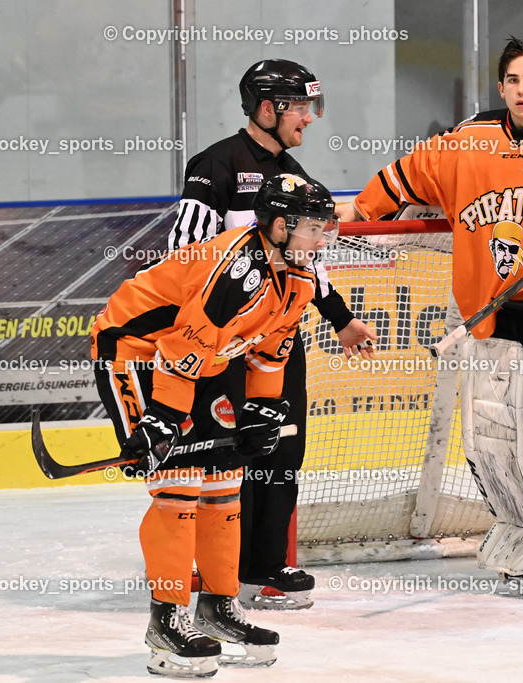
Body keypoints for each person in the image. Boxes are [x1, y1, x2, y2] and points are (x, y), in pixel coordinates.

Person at [339, 38, 523, 606]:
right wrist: (360, 209)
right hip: (502, 321)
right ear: (501, 86)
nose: (522, 89)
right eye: (513, 80)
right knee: (502, 445)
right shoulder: (469, 141)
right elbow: (406, 176)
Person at [92, 174, 339, 676]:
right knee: (177, 487)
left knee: (225, 479)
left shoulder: (299, 276)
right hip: (137, 356)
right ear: (277, 226)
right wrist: (162, 420)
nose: (321, 239)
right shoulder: (234, 271)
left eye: (323, 228)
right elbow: (180, 349)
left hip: (200, 362)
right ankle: (166, 619)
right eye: (312, 228)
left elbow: (270, 351)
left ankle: (217, 607)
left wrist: (262, 410)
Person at [168, 58, 377, 610]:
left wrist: (341, 318)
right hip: (227, 346)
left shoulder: (298, 181)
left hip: (281, 340)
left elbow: (311, 263)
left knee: (282, 450)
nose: (309, 119)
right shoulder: (213, 166)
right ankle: (215, 573)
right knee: (223, 456)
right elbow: (184, 259)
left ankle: (266, 568)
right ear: (269, 108)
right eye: (302, 107)